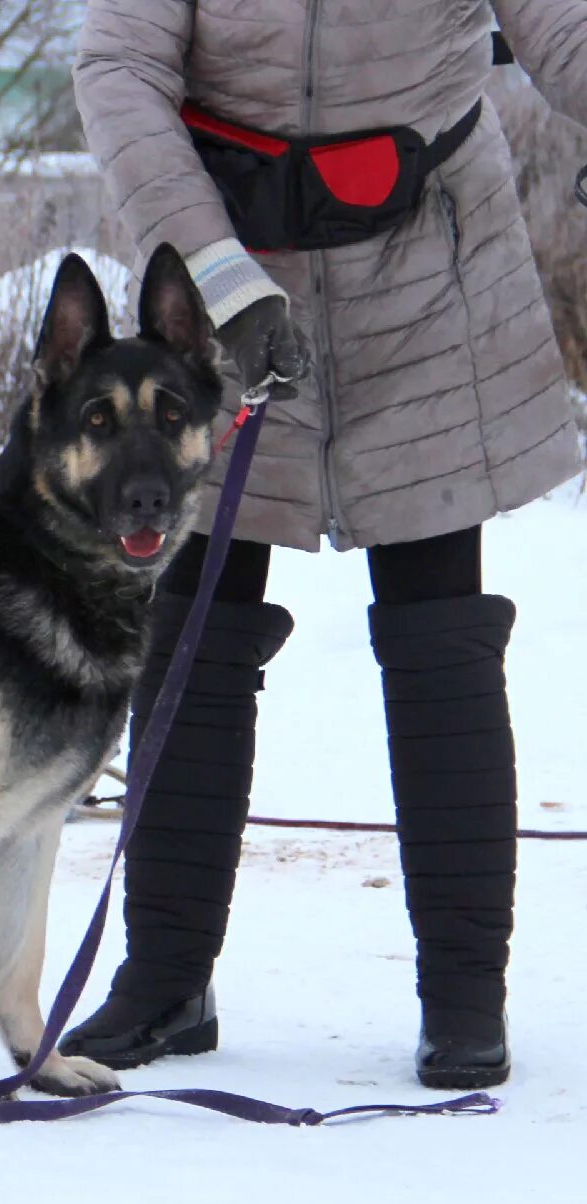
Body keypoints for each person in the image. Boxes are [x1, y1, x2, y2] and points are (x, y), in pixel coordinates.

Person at [58, 0, 587, 1089]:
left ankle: (461, 998)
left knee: (441, 621)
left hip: (433, 269)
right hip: (221, 270)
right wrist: (215, 272)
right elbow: (118, 68)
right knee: (195, 614)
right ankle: (164, 977)